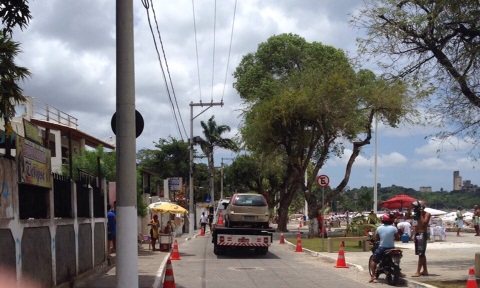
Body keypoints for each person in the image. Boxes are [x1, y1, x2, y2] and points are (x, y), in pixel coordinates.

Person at [369, 214, 398, 283]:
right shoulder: (394, 228)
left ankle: (373, 276)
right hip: (392, 248)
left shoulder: (379, 228)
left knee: (374, 260)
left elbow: (376, 238)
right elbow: (397, 237)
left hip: (382, 248)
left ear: (383, 220)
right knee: (396, 259)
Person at [411, 200, 431, 277]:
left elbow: (424, 224)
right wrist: (414, 235)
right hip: (417, 234)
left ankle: (418, 271)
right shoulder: (416, 215)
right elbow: (415, 225)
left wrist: (420, 214)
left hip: (422, 234)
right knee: (421, 254)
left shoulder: (427, 214)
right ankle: (425, 270)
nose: (414, 209)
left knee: (421, 254)